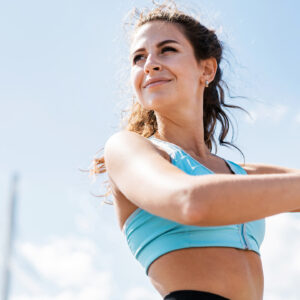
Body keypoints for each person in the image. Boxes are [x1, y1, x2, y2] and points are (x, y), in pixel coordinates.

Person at [94, 2, 300, 299]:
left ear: (206, 69)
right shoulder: (126, 148)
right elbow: (191, 200)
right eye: (138, 57)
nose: (149, 63)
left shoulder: (240, 174)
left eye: (167, 49)